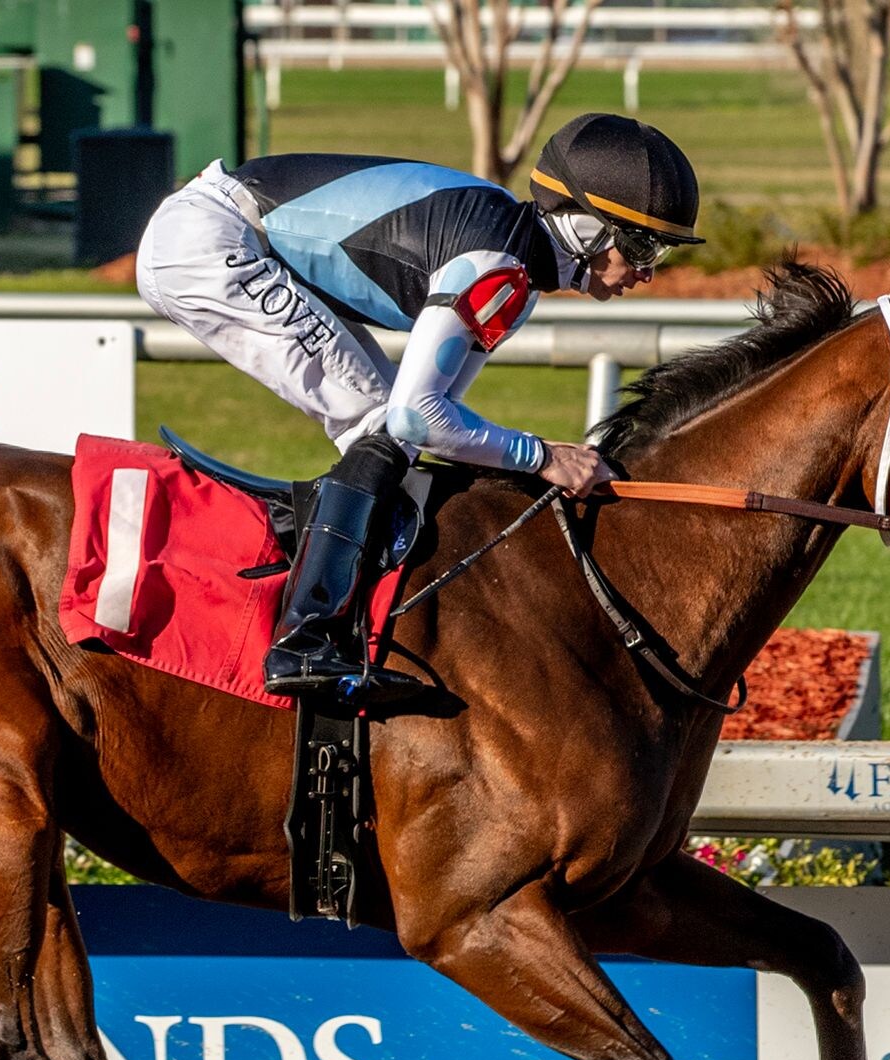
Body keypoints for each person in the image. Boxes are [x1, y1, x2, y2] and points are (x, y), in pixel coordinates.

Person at [136, 113, 703, 705]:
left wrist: (519, 459)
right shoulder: (498, 267)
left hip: (217, 228)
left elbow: (438, 421)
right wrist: (542, 457)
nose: (646, 272)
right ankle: (305, 640)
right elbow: (417, 416)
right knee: (380, 424)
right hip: (210, 239)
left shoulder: (515, 273)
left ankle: (343, 613)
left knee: (388, 438)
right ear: (585, 228)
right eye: (641, 246)